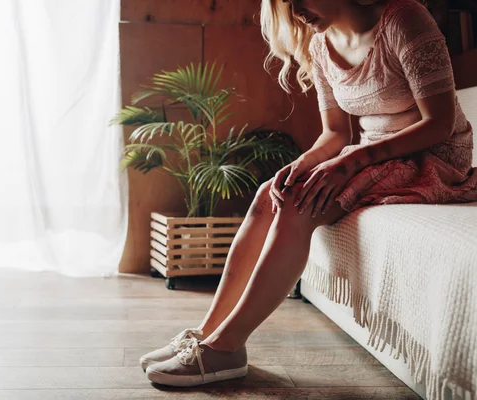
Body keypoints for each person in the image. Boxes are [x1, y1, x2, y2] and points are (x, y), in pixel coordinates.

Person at [140, 0, 477, 387]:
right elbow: (336, 133)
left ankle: (228, 346)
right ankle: (206, 334)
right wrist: (300, 165)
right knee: (272, 194)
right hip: (370, 152)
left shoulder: (404, 19)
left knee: (299, 206)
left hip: (432, 154)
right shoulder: (320, 44)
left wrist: (349, 163)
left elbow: (439, 123)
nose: (297, 11)